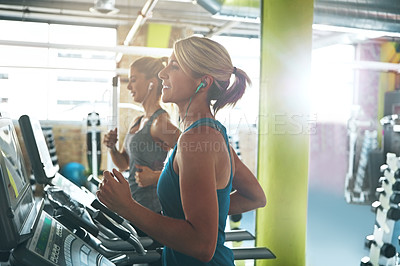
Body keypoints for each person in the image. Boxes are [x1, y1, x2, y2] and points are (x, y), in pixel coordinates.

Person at [97, 36, 266, 265]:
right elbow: (255, 196)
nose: (162, 73)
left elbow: (202, 246)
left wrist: (128, 207)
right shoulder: (207, 132)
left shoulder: (196, 139)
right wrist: (205, 214)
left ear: (203, 83)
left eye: (174, 66)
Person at [103, 56, 180, 217]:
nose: (129, 86)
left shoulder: (160, 123)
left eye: (133, 80)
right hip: (134, 208)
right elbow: (124, 164)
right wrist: (112, 148)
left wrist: (157, 177)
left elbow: (194, 163)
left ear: (151, 83)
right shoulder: (137, 120)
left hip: (153, 211)